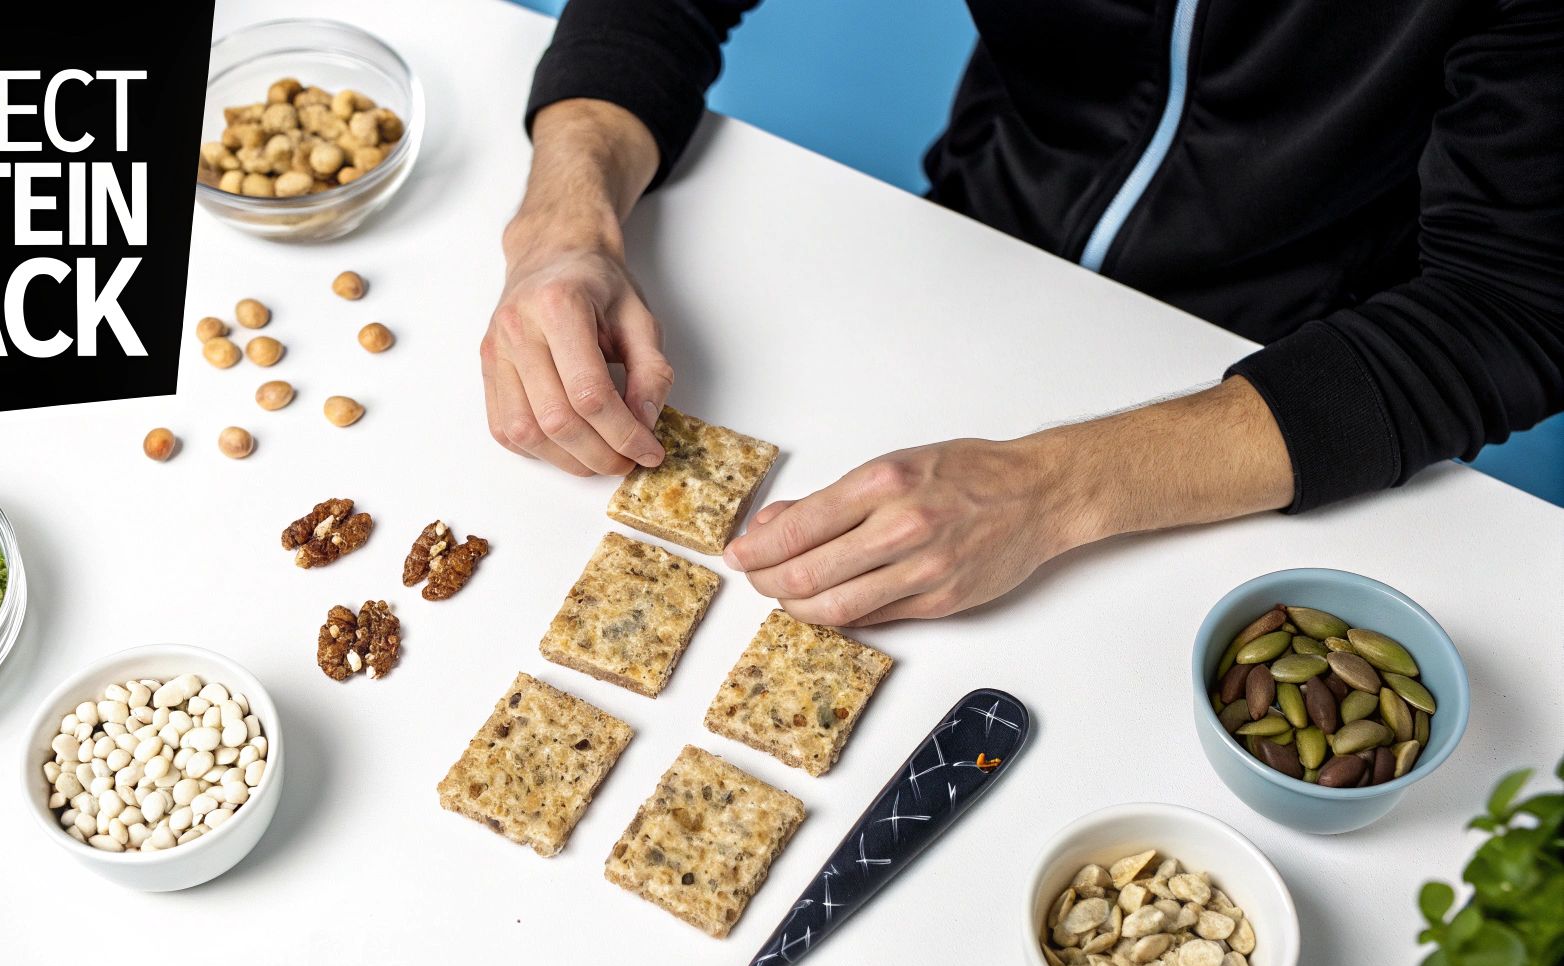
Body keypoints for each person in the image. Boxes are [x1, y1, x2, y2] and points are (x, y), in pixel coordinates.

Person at [479, 0, 1563, 627]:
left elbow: (1513, 304)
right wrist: (563, 222)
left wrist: (1053, 489)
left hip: (1294, 376)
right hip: (973, 232)